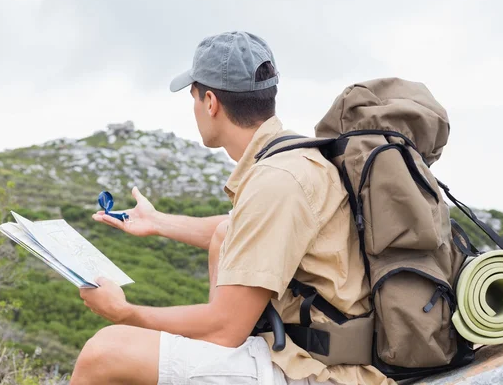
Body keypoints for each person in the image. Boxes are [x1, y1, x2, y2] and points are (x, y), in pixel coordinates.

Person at [70, 31, 394, 385]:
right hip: (307, 352)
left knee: (105, 352)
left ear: (210, 102)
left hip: (322, 371)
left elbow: (225, 329)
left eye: (193, 96)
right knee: (224, 235)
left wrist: (125, 312)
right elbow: (243, 230)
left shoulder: (277, 179)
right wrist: (157, 222)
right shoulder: (292, 157)